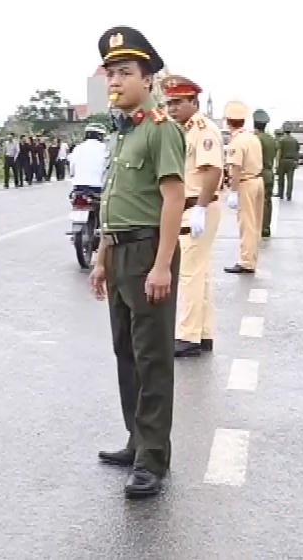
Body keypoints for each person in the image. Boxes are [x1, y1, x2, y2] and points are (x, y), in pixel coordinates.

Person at [87, 26, 185, 499]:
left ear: (148, 80)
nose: (115, 81)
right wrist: (102, 259)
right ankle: (135, 439)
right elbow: (112, 202)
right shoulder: (119, 133)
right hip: (120, 250)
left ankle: (153, 459)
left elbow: (172, 198)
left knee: (152, 359)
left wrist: (162, 265)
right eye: (110, 73)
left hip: (148, 251)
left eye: (125, 72)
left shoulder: (161, 130)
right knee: (125, 353)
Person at [162, 75, 224, 358]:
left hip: (198, 207)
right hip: (191, 207)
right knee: (200, 273)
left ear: (194, 102)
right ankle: (202, 333)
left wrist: (199, 207)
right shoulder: (182, 130)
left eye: (178, 103)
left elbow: (212, 171)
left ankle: (187, 336)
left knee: (188, 272)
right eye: (169, 103)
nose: (172, 108)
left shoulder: (203, 130)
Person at [223, 101, 264, 274]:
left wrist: (233, 192)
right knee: (255, 224)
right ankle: (252, 258)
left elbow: (236, 168)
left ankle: (246, 261)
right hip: (257, 181)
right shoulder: (252, 138)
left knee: (246, 224)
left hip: (246, 184)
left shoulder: (237, 142)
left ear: (227, 121)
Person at [252, 110, 276, 238]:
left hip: (258, 173)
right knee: (267, 202)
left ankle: (258, 226)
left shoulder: (255, 139)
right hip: (269, 172)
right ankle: (266, 227)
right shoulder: (271, 139)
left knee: (256, 203)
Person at [67, 123, 108, 192]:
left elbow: (72, 168)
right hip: (98, 187)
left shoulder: (78, 148)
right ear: (100, 136)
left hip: (79, 186)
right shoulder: (105, 148)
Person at [275, 128, 300, 200]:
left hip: (282, 161)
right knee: (290, 179)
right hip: (291, 161)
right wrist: (296, 161)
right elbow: (297, 151)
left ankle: (281, 194)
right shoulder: (294, 140)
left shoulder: (281, 140)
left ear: (284, 132)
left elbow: (279, 152)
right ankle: (289, 195)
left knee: (281, 179)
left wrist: (277, 164)